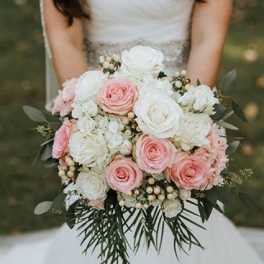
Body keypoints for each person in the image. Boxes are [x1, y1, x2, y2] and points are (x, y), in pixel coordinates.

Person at [1, 0, 263, 263]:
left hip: (181, 108)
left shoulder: (185, 119)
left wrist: (187, 125)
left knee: (184, 223)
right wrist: (91, 123)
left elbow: (208, 39)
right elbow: (66, 42)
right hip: (100, 114)